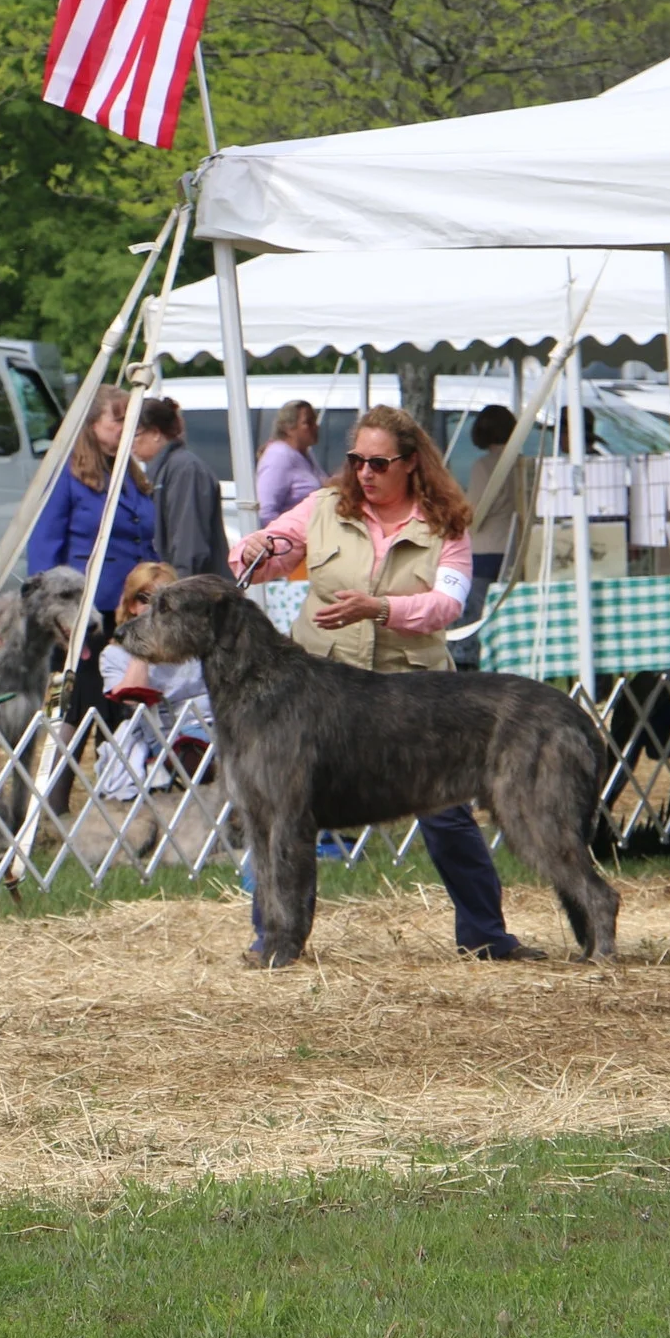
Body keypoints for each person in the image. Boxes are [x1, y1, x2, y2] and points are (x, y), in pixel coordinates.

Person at [231, 404, 544, 961]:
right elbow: (271, 552)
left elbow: (447, 604)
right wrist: (253, 549)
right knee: (281, 814)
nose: (365, 473)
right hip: (321, 695)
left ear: (411, 463)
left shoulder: (446, 521)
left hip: (412, 695)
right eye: (356, 460)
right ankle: (273, 939)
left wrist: (380, 608)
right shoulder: (324, 506)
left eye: (379, 462)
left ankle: (486, 936)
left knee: (446, 815)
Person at [27, 385, 157, 740]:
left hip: (130, 615)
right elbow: (43, 549)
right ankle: (52, 794)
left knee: (120, 718)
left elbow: (144, 541)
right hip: (83, 617)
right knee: (73, 711)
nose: (126, 427)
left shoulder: (131, 475)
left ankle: (113, 792)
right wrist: (54, 618)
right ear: (91, 424)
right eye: (118, 419)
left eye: (130, 419)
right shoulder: (65, 475)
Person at [96, 561, 212, 800]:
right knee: (190, 750)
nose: (152, 606)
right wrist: (142, 646)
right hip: (171, 736)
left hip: (219, 725)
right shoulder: (115, 655)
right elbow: (129, 697)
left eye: (163, 598)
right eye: (144, 598)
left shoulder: (198, 641)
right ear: (130, 605)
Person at [451, 403, 519, 670]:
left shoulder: (484, 465)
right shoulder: (521, 462)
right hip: (512, 548)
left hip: (484, 551)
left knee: (476, 617)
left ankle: (471, 666)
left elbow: (475, 513)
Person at [132, 397, 230, 579]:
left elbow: (189, 543)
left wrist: (178, 593)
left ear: (155, 432)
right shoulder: (165, 470)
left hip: (195, 592)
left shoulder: (185, 469)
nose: (130, 444)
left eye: (135, 435)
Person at [256, 400, 324, 523]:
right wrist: (286, 537)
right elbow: (266, 511)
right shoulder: (278, 456)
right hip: (291, 537)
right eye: (308, 422)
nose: (316, 426)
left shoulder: (306, 454)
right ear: (289, 428)